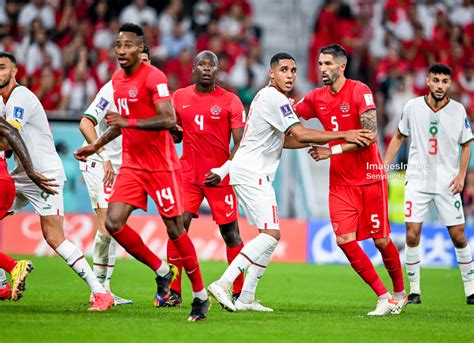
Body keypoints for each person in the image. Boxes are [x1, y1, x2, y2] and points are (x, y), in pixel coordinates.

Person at [208, 52, 373, 312]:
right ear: (271, 73)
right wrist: (344, 134)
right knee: (271, 234)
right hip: (252, 174)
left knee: (271, 236)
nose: (290, 75)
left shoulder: (271, 98)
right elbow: (301, 133)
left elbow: (288, 140)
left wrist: (328, 142)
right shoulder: (275, 98)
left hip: (252, 172)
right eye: (283, 70)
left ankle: (247, 297)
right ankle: (223, 283)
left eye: (294, 71)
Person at [74, 23, 209, 321]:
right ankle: (162, 270)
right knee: (113, 223)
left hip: (161, 166)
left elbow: (167, 118)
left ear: (140, 48)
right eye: (118, 45)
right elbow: (117, 123)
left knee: (176, 230)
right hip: (133, 166)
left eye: (128, 45)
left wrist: (128, 123)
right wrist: (95, 145)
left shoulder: (155, 78)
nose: (121, 51)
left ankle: (200, 295)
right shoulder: (116, 81)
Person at [294, 44, 407, 316]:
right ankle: (384, 297)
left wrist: (330, 149)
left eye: (328, 64)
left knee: (380, 241)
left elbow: (368, 135)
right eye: (320, 64)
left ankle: (401, 293)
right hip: (341, 183)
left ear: (342, 66)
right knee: (344, 239)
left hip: (370, 178)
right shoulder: (315, 97)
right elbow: (291, 116)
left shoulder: (360, 91)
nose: (322, 69)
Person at [0, 51, 114, 311]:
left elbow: (9, 138)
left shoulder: (21, 97)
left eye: (3, 68)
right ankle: (4, 283)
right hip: (20, 174)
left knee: (54, 237)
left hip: (44, 175)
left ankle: (100, 293)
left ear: (14, 72)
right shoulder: (1, 101)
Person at [384, 63, 473, 305]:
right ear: (428, 81)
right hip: (417, 180)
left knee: (459, 236)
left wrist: (461, 175)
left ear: (450, 84)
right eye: (436, 80)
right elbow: (399, 136)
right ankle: (414, 292)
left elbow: (467, 144)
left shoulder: (458, 110)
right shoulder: (412, 107)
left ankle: (471, 291)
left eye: (445, 81)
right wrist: (384, 165)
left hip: (447, 183)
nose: (440, 85)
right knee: (412, 234)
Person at [166, 50, 245, 306]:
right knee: (178, 228)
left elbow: (240, 144)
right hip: (188, 174)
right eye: (202, 64)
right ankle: (173, 291)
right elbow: (176, 136)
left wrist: (223, 170)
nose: (207, 68)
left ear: (217, 71)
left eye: (212, 65)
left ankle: (239, 292)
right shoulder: (179, 97)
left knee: (231, 234)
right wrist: (172, 130)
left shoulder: (230, 101)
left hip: (219, 176)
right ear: (194, 69)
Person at [78, 44, 151, 306]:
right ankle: (98, 289)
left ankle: (105, 287)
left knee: (115, 228)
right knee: (108, 224)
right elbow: (85, 122)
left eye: (146, 62)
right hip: (101, 165)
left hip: (124, 169)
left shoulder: (148, 95)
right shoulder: (111, 90)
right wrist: (104, 156)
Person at [0, 115, 57, 301]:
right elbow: (9, 140)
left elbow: (11, 133)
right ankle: (2, 288)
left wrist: (30, 171)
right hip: (5, 181)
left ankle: (14, 266)